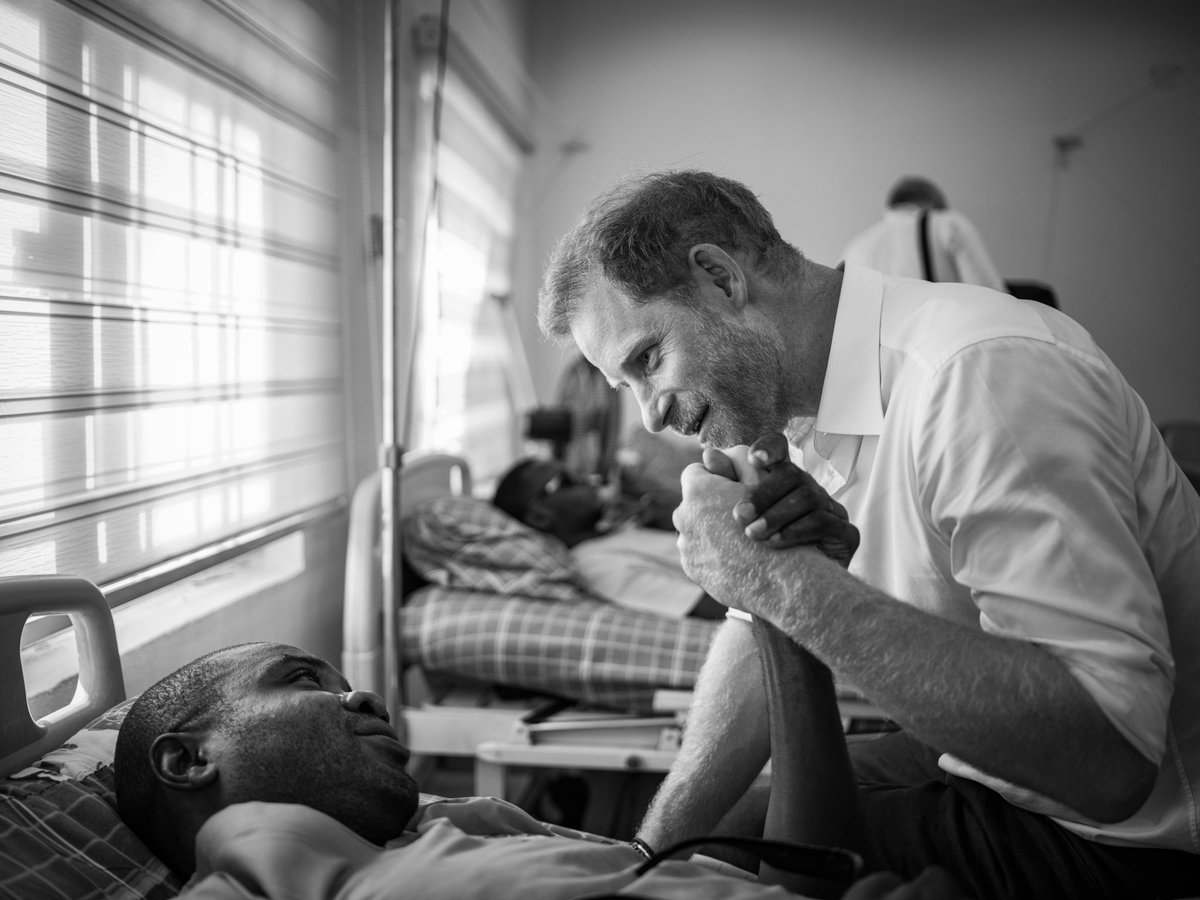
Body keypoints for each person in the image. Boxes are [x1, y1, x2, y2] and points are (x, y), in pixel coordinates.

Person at [536, 168, 1200, 900]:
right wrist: (643, 853)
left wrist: (783, 583)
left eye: (647, 360)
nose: (649, 419)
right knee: (696, 843)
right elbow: (755, 636)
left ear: (720, 278)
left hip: (1131, 840)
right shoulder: (791, 413)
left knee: (746, 861)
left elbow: (1111, 763)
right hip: (989, 776)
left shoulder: (975, 374)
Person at [111, 641, 966, 899]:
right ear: (189, 759)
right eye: (303, 681)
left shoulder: (439, 842)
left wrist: (785, 621)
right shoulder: (270, 881)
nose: (361, 694)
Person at [493, 455, 725, 619]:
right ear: (540, 517)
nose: (588, 478)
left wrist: (660, 516)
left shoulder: (616, 532)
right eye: (566, 480)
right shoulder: (597, 567)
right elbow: (715, 609)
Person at [840, 176, 1005, 291]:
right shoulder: (947, 223)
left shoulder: (854, 246)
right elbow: (991, 295)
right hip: (940, 337)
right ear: (934, 203)